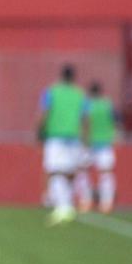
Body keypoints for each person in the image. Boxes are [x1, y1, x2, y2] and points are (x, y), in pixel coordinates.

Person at [38, 64, 87, 225]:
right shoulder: (80, 94)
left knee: (55, 171)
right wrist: (85, 138)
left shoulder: (51, 92)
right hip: (74, 137)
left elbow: (45, 113)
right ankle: (68, 205)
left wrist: (39, 130)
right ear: (74, 77)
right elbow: (85, 118)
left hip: (56, 136)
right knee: (70, 173)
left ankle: (62, 208)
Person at [78, 81, 119, 214]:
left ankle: (86, 201)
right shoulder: (107, 104)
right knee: (106, 173)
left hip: (89, 144)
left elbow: (84, 123)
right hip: (105, 144)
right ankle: (106, 203)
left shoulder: (86, 104)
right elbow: (116, 123)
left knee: (83, 172)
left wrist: (84, 140)